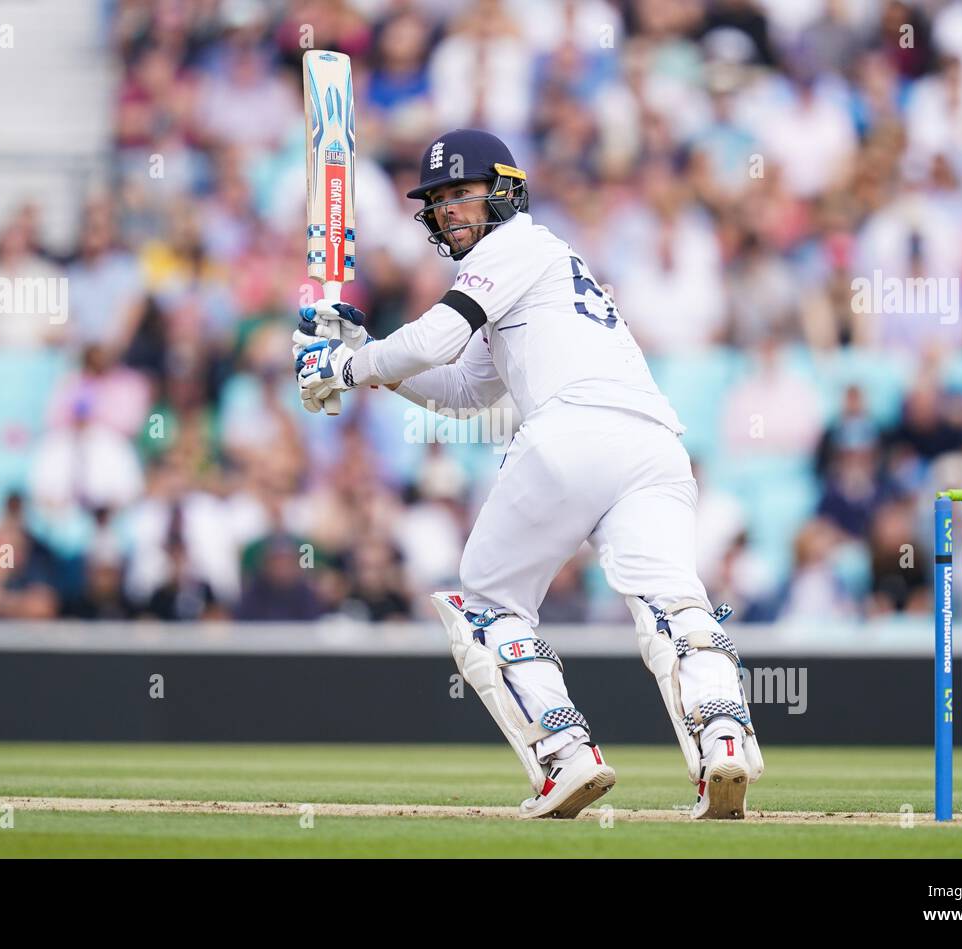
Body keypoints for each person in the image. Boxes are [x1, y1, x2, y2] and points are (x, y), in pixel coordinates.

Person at [293, 130, 764, 820]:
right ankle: (723, 739)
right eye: (440, 200)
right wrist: (366, 355)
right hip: (656, 446)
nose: (450, 209)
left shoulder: (514, 247)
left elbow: (434, 338)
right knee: (674, 603)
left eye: (464, 192)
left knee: (487, 603)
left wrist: (342, 367)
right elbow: (463, 390)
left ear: (504, 191)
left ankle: (566, 753)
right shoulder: (535, 269)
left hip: (573, 434)